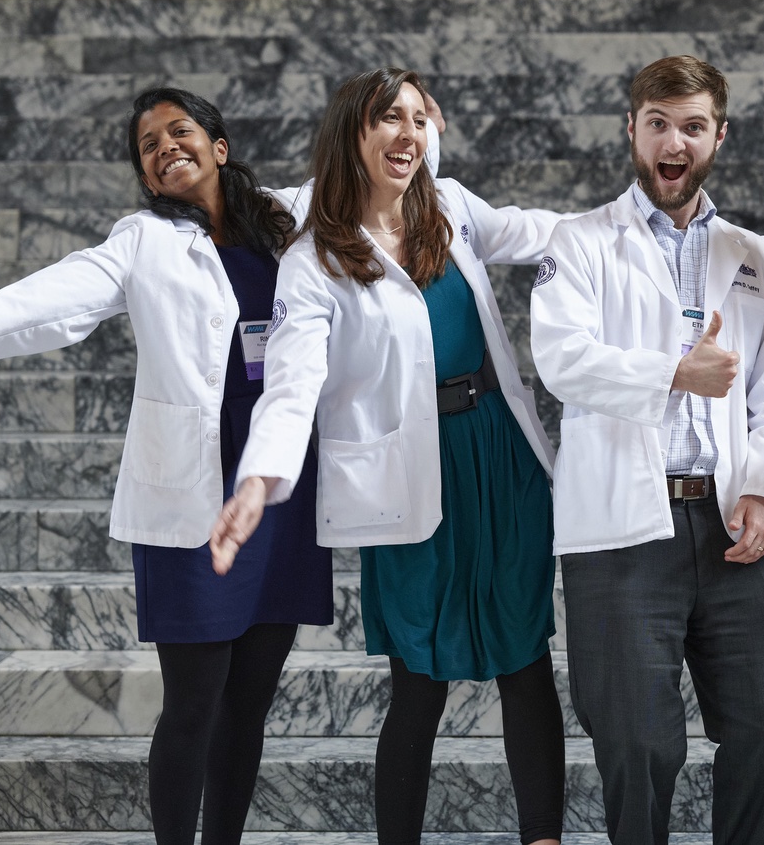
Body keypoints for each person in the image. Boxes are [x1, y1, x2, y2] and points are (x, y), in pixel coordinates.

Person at [0, 86, 372, 845]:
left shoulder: (291, 217)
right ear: (146, 175)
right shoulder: (140, 241)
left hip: (280, 486)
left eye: (180, 131)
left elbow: (379, 166)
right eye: (149, 144)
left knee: (249, 706)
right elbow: (39, 303)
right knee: (193, 706)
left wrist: (413, 116)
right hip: (195, 495)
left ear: (220, 145)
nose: (165, 147)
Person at [208, 68, 566, 845]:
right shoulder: (315, 259)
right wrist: (261, 477)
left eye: (416, 118)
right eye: (388, 119)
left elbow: (549, 232)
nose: (408, 133)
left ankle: (544, 836)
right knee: (418, 682)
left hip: (496, 454)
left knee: (524, 658)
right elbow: (294, 382)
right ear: (353, 134)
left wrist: (635, 221)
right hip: (408, 472)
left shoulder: (454, 207)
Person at [529, 55, 764, 844]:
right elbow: (562, 358)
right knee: (639, 747)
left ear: (719, 136)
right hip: (623, 533)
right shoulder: (579, 242)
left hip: (732, 530)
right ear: (632, 130)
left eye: (692, 127)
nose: (674, 141)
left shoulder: (756, 257)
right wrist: (675, 372)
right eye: (658, 124)